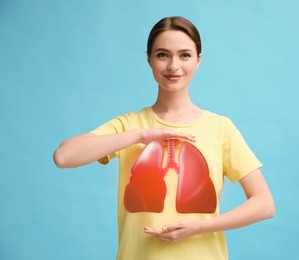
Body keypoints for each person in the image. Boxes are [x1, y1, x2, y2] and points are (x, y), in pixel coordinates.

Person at [53, 16, 275, 260]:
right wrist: (143, 135)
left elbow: (264, 204)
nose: (173, 66)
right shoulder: (129, 125)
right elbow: (64, 156)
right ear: (149, 59)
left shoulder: (220, 127)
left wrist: (200, 227)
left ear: (199, 60)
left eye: (185, 55)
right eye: (162, 55)